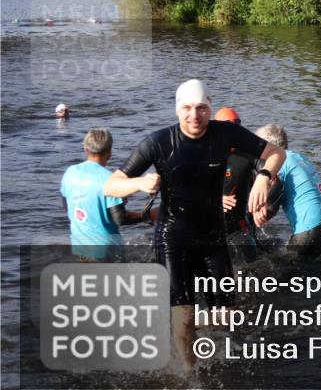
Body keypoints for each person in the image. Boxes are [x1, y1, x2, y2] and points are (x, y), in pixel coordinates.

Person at [104, 79, 286, 371]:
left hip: (213, 236)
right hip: (173, 238)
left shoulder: (225, 133)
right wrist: (139, 182)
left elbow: (276, 153)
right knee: (184, 315)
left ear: (210, 108)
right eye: (187, 108)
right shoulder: (159, 142)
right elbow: (111, 186)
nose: (194, 115)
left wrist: (263, 177)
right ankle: (190, 377)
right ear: (178, 110)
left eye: (202, 108)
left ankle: (181, 329)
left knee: (225, 316)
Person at [61, 128, 155, 259]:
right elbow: (120, 219)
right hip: (107, 252)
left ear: (85, 149)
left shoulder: (70, 173)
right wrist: (147, 216)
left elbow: (67, 206)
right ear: (110, 152)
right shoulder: (110, 181)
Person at [256, 124, 321, 257]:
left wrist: (254, 214)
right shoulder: (300, 158)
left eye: (259, 146)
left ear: (268, 146)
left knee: (283, 265)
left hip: (310, 228)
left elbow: (272, 202)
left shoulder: (277, 164)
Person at [215, 106, 269, 261]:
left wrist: (263, 197)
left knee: (250, 267)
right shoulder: (202, 154)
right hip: (207, 229)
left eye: (236, 127)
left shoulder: (248, 154)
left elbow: (274, 177)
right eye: (229, 127)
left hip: (238, 229)